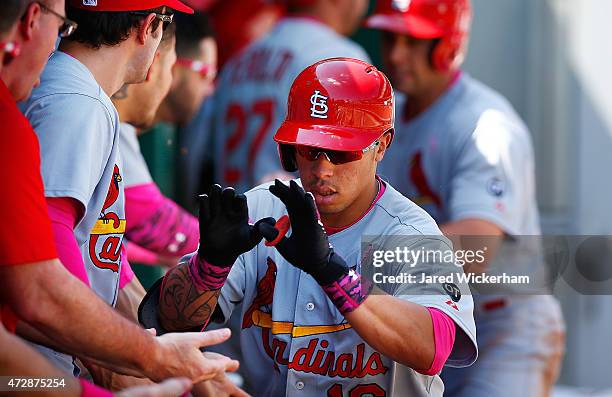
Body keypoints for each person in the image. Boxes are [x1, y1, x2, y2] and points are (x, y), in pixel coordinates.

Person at [141, 58, 478, 396]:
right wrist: (209, 267)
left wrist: (332, 273)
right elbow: (171, 324)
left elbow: (435, 347)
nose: (322, 170)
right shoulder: (262, 209)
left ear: (381, 146)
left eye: (341, 152)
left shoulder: (410, 233)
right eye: (310, 149)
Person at [0, 0, 231, 395]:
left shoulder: (80, 95)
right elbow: (40, 280)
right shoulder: (78, 103)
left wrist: (156, 352)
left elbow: (97, 255)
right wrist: (143, 358)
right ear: (149, 29)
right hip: (33, 369)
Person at [365, 0, 565, 395]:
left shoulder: (486, 125)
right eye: (390, 37)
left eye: (415, 41)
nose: (396, 54)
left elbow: (477, 246)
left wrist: (362, 262)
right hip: (429, 319)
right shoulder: (387, 118)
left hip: (502, 329)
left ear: (448, 42)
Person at [211, 0, 371, 193]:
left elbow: (195, 154)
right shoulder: (340, 58)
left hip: (229, 214)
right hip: (296, 218)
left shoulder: (238, 61)